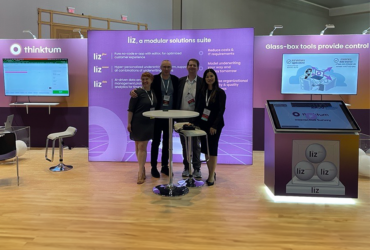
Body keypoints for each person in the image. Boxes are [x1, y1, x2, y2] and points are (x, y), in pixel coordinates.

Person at [130, 60, 179, 178]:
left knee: (168, 143)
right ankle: (153, 167)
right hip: (156, 116)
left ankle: (165, 167)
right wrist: (132, 91)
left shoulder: (176, 80)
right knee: (156, 142)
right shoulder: (156, 79)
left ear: (171, 68)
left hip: (169, 116)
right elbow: (144, 88)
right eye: (164, 67)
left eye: (168, 67)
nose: (166, 69)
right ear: (161, 67)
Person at [195, 69, 226, 186]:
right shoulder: (202, 92)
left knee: (212, 149)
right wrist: (195, 123)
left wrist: (214, 125)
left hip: (215, 126)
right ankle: (210, 172)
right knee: (206, 150)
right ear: (205, 79)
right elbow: (198, 108)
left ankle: (211, 175)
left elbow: (221, 110)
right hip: (203, 125)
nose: (209, 78)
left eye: (211, 76)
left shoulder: (220, 92)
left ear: (215, 77)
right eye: (207, 76)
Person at [127, 72, 157, 184]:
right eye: (143, 79)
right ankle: (141, 171)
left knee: (141, 146)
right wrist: (129, 123)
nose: (145, 81)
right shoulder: (137, 93)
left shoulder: (153, 93)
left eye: (147, 79)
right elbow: (130, 109)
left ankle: (141, 168)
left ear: (151, 80)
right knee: (139, 146)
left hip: (149, 123)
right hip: (138, 123)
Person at [176, 59, 203, 178]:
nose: (192, 67)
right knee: (184, 145)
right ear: (187, 67)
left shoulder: (202, 82)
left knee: (196, 145)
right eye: (190, 65)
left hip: (196, 118)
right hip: (182, 117)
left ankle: (197, 168)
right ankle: (186, 167)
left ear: (198, 68)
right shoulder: (180, 81)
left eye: (194, 65)